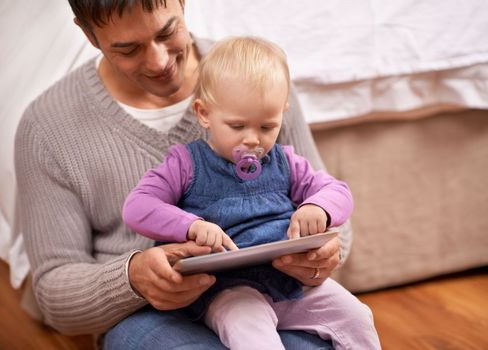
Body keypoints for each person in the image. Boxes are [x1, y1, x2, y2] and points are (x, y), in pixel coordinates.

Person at [14, 1, 354, 348]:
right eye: (128, 49)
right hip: (150, 313)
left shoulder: (261, 78)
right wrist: (132, 279)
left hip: (277, 287)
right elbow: (55, 295)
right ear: (88, 34)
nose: (159, 62)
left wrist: (322, 251)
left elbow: (328, 207)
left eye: (167, 32)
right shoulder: (46, 127)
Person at [122, 36, 380, 350]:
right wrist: (190, 226)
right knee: (251, 332)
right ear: (204, 113)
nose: (253, 140)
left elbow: (338, 191)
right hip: (228, 290)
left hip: (292, 284)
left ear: (283, 114)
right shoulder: (186, 164)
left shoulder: (286, 161)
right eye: (237, 125)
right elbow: (137, 207)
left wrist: (318, 208)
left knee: (356, 316)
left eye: (267, 126)